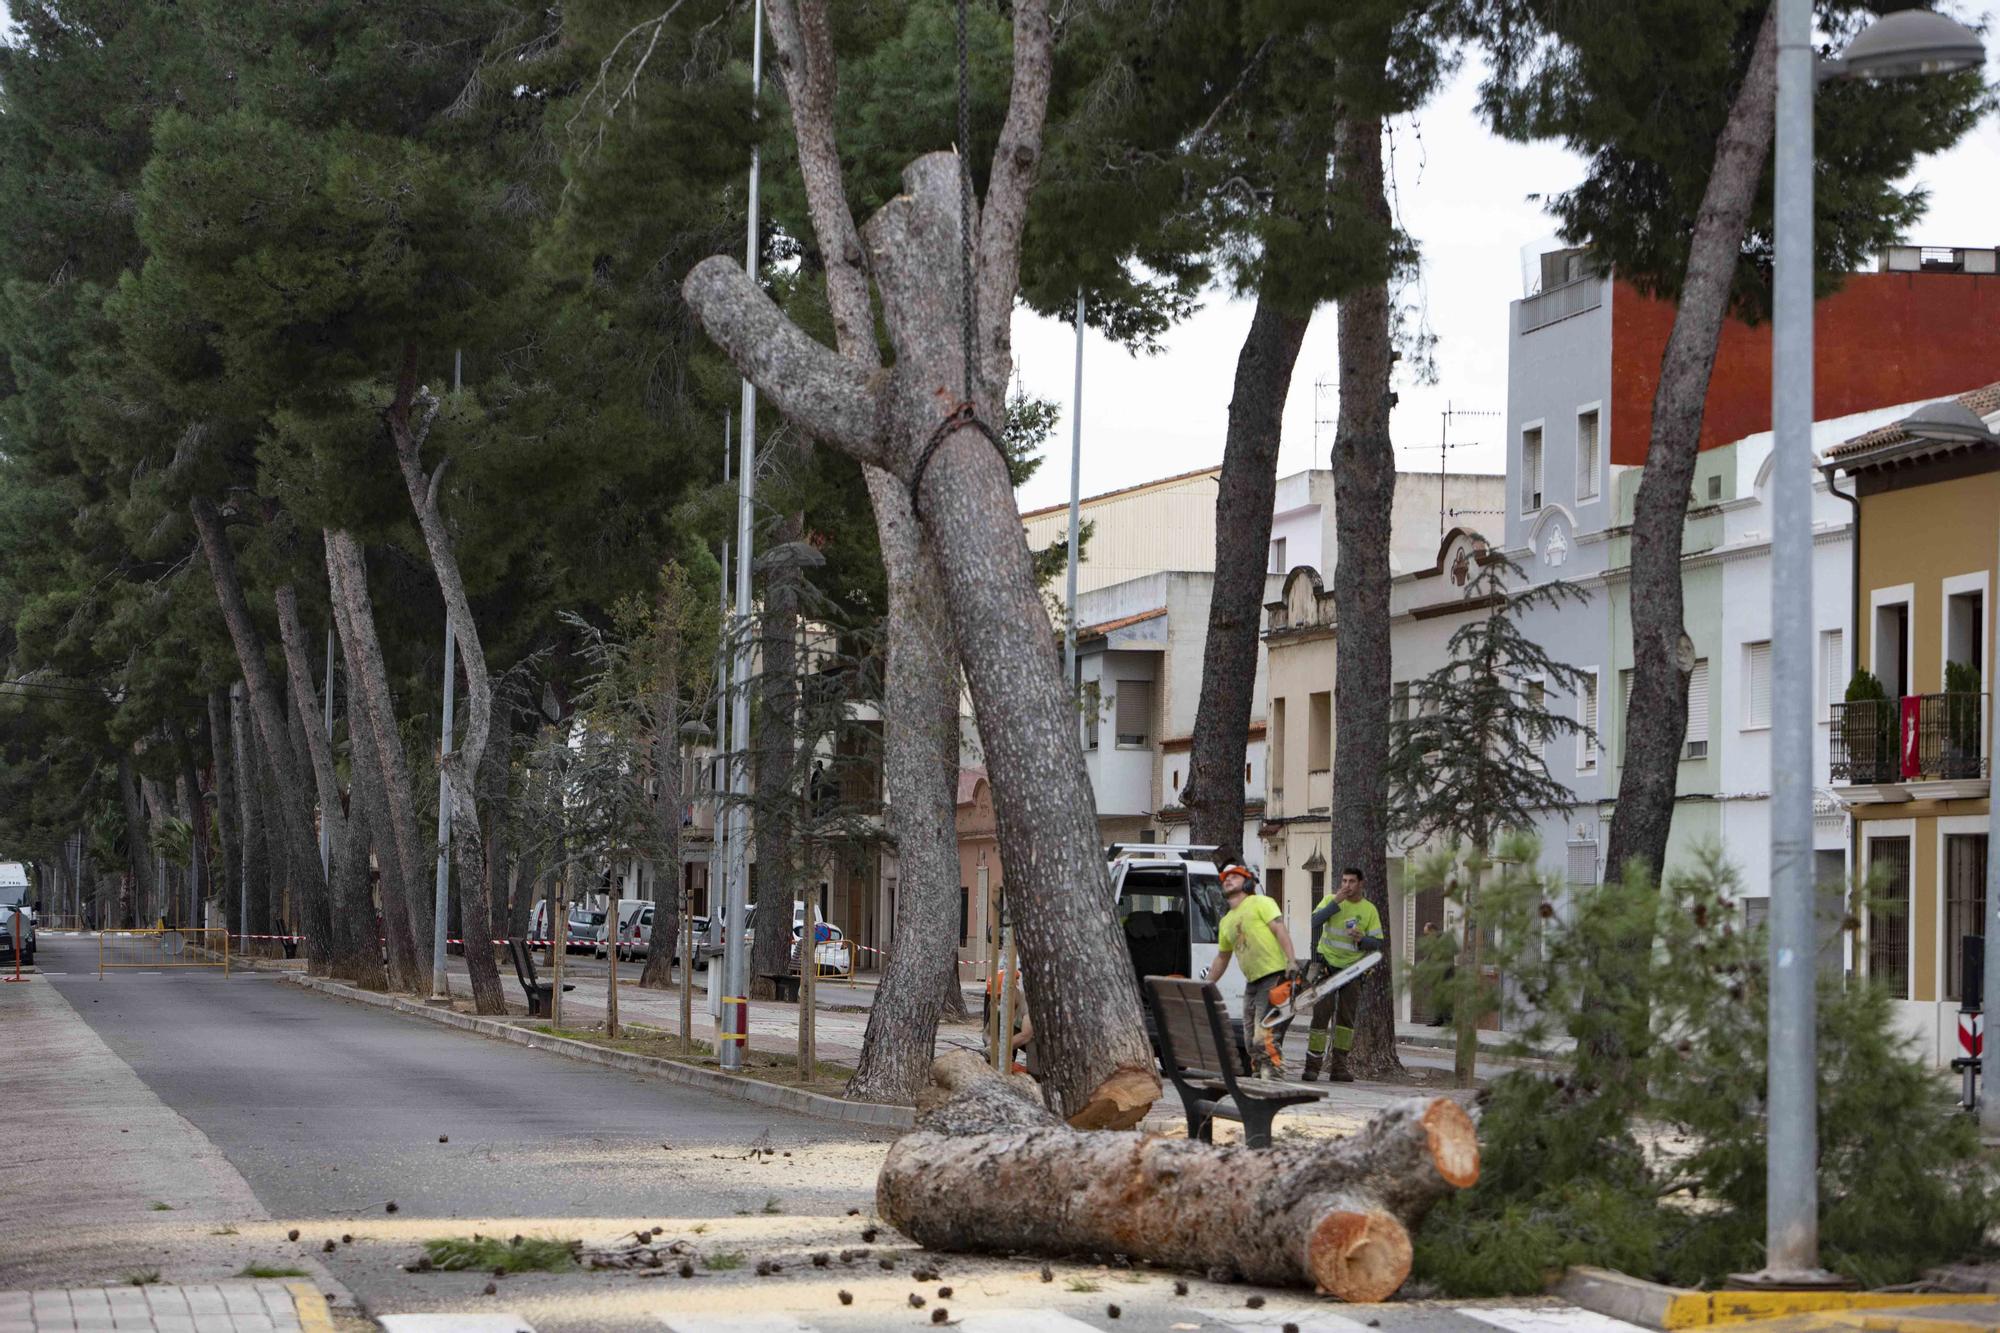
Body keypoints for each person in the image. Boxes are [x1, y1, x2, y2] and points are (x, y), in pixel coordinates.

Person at [1201, 864, 1299, 1078]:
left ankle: (1273, 1070)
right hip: (1252, 981)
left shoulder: (1261, 903)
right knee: (1248, 1038)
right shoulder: (1227, 921)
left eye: (1234, 877)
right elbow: (1222, 957)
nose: (1228, 880)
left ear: (1247, 883)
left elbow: (1279, 929)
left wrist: (1291, 960)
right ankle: (1259, 1071)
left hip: (1273, 974)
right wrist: (1207, 983)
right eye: (1225, 878)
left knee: (1263, 1033)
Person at [1302, 866, 1385, 1083]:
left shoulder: (1369, 910)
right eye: (1344, 881)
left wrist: (1362, 939)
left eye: (1352, 882)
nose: (1347, 886)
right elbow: (1314, 922)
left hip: (1352, 971)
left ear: (1361, 884)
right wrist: (1334, 903)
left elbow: (1377, 943)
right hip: (1327, 967)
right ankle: (1312, 1067)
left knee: (1346, 1022)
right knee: (1320, 1017)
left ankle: (1339, 1067)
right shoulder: (1331, 899)